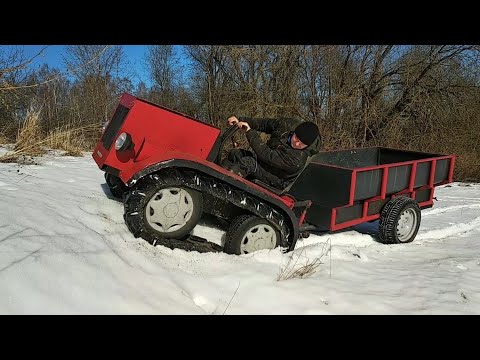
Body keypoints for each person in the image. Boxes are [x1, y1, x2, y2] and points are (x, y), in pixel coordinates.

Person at [223, 115, 321, 190]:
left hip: (278, 179)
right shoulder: (286, 125)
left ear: (307, 146)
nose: (297, 143)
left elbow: (266, 154)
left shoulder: (297, 159)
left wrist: (249, 132)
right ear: (294, 131)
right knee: (236, 153)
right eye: (296, 138)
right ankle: (215, 175)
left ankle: (225, 186)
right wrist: (240, 120)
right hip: (266, 164)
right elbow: (265, 124)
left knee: (248, 163)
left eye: (302, 144)